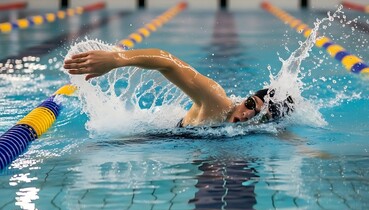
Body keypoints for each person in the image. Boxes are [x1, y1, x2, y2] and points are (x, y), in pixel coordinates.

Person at [63, 48, 294, 127]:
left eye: (256, 115)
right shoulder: (216, 101)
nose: (246, 114)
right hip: (159, 135)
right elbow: (167, 61)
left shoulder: (250, 127)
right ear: (248, 97)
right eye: (250, 104)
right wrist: (117, 59)